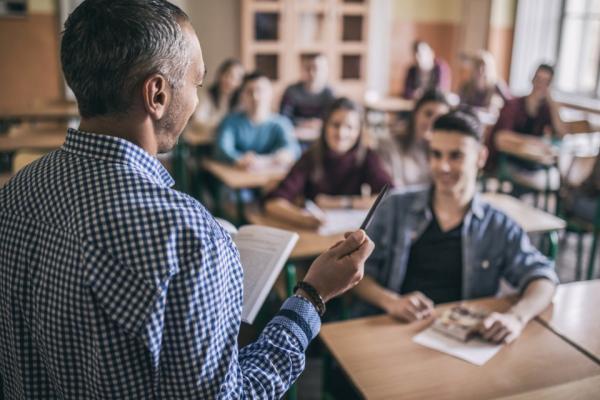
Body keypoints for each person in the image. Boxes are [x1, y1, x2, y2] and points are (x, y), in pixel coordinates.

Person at [0, 1, 375, 398]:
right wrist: (311, 295)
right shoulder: (188, 237)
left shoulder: (16, 191)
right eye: (196, 84)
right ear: (157, 93)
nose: (196, 102)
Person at [353, 110, 557, 344]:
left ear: (480, 157)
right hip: (393, 331)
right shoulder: (395, 208)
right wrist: (391, 301)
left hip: (461, 339)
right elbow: (357, 273)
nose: (443, 166)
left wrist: (516, 318)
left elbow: (543, 277)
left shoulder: (497, 225)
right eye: (436, 154)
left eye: (456, 156)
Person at [265, 97, 393, 229]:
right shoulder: (309, 158)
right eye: (336, 125)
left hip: (349, 234)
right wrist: (304, 219)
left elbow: (389, 195)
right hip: (314, 234)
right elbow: (273, 203)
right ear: (325, 126)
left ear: (359, 132)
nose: (341, 133)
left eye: (349, 127)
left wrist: (340, 203)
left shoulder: (367, 156)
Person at [486, 64, 566, 191]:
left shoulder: (545, 109)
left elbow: (562, 134)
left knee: (557, 176)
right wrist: (532, 141)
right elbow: (500, 137)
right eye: (539, 80)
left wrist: (553, 104)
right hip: (508, 160)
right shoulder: (514, 105)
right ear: (532, 79)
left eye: (546, 82)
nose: (541, 85)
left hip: (531, 162)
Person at [215, 71, 301, 170]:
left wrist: (266, 160)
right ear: (242, 96)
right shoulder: (230, 122)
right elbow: (222, 150)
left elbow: (292, 149)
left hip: (271, 178)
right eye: (249, 92)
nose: (255, 97)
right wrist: (239, 159)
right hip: (238, 177)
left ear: (270, 94)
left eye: (260, 90)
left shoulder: (282, 123)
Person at [376, 89, 450, 187]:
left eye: (440, 118)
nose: (433, 122)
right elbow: (389, 187)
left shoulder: (444, 153)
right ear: (415, 114)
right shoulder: (388, 145)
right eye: (428, 114)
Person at [189, 58, 244, 137]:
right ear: (220, 75)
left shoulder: (242, 100)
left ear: (241, 82)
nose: (229, 80)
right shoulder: (208, 94)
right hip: (206, 140)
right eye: (226, 74)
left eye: (234, 77)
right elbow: (197, 120)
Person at [279, 53, 335, 128]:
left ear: (326, 70)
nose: (312, 73)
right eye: (308, 68)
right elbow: (283, 118)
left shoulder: (329, 93)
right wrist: (304, 123)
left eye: (316, 68)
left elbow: (333, 118)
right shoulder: (291, 91)